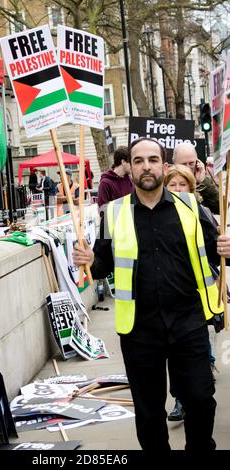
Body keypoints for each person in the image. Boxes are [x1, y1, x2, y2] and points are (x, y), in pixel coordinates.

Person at [73, 137, 230, 451]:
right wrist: (90, 261)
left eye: (153, 160)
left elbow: (217, 252)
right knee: (148, 413)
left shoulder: (191, 207)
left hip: (188, 322)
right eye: (139, 160)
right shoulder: (112, 213)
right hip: (140, 328)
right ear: (129, 167)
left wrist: (227, 247)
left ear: (165, 165)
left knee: (201, 399)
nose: (146, 166)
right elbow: (103, 264)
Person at [164, 164, 221, 422]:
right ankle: (178, 399)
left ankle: (200, 385)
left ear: (190, 187)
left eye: (181, 185)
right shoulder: (156, 215)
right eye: (172, 185)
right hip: (165, 300)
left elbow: (213, 251)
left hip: (194, 297)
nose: (177, 190)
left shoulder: (200, 211)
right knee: (173, 357)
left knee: (195, 355)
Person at [173, 142, 219, 214]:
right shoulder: (168, 183)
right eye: (183, 164)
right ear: (175, 163)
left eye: (191, 163)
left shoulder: (203, 183)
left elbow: (219, 209)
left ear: (197, 162)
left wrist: (203, 181)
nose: (188, 168)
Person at [97, 146, 134, 211]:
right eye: (131, 162)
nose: (133, 165)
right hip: (114, 221)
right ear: (123, 162)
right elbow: (102, 210)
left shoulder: (129, 179)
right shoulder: (105, 183)